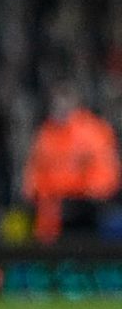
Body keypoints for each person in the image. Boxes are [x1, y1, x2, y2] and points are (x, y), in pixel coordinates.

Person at [23, 83, 120, 242]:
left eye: (64, 100)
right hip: (51, 208)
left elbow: (106, 175)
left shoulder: (94, 131)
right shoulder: (45, 134)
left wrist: (80, 194)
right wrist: (43, 195)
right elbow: (34, 174)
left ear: (75, 102)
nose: (59, 106)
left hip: (86, 207)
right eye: (55, 102)